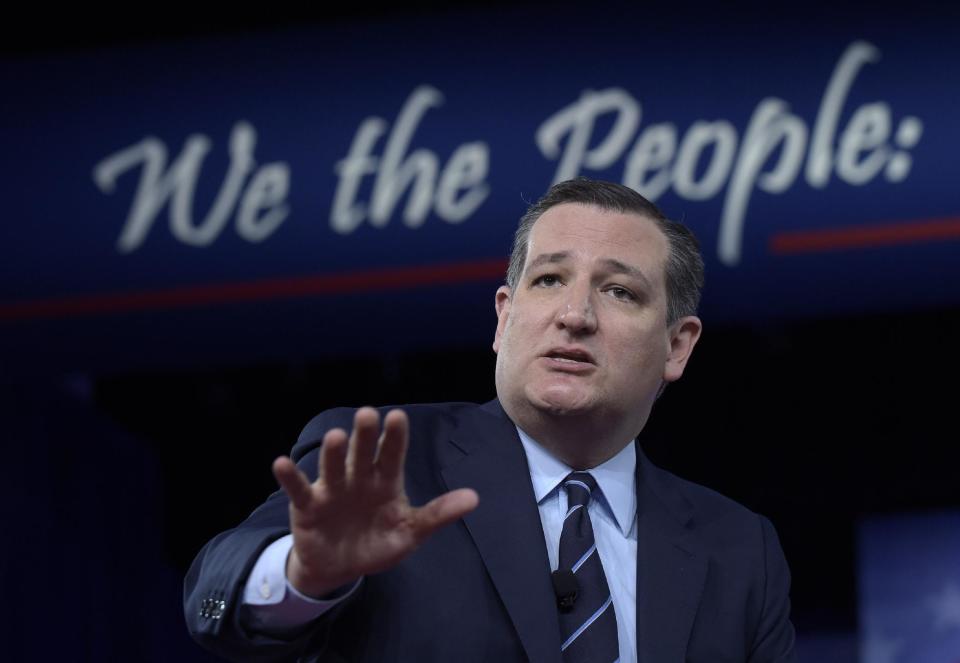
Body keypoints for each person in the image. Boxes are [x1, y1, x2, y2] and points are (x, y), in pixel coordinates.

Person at [184, 178, 796, 662]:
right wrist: (302, 575)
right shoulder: (383, 462)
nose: (574, 313)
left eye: (619, 292)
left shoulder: (740, 549)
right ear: (504, 319)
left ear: (677, 346)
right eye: (549, 279)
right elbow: (214, 595)